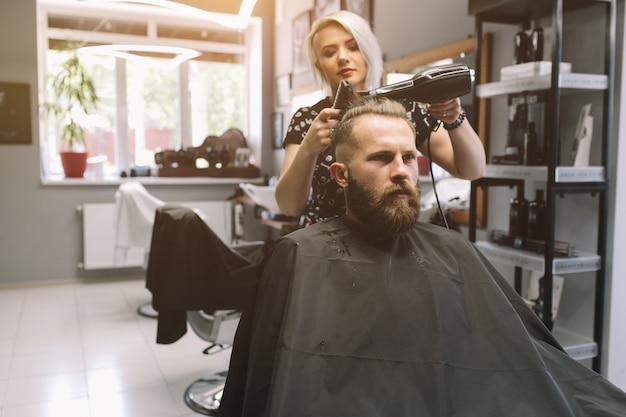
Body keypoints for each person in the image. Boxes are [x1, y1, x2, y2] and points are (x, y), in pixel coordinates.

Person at [218, 97, 626, 417]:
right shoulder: (299, 255)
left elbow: (521, 359)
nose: (401, 171)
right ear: (341, 175)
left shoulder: (452, 249)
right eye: (380, 158)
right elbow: (262, 387)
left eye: (410, 158)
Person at [275, 10, 486, 224]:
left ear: (368, 51)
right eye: (330, 52)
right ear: (319, 66)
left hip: (394, 243)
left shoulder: (405, 111)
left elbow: (471, 170)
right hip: (327, 246)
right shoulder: (309, 119)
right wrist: (308, 149)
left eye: (353, 47)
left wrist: (455, 119)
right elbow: (289, 206)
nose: (343, 57)